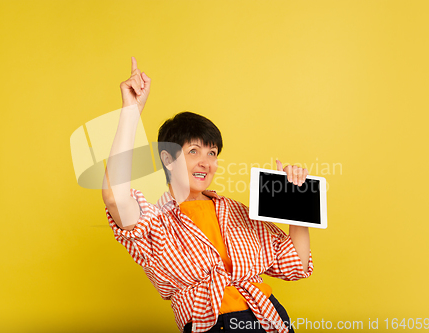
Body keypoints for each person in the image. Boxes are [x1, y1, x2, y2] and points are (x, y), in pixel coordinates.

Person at [102, 57, 313, 333]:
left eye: (212, 153)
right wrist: (131, 111)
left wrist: (294, 199)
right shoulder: (155, 222)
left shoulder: (235, 210)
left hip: (269, 319)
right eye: (194, 152)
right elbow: (114, 197)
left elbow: (294, 264)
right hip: (211, 325)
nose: (206, 162)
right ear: (168, 158)